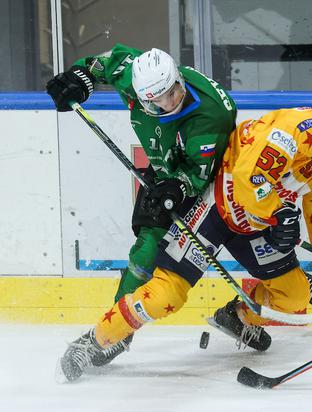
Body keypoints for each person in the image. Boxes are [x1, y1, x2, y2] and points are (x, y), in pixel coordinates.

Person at [56, 68, 312, 383]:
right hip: (216, 210)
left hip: (256, 223)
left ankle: (237, 318)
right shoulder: (293, 130)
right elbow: (247, 177)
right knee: (164, 295)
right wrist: (277, 213)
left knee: (294, 297)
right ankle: (93, 342)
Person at [46, 44, 239, 366]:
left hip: (209, 182)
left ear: (177, 77)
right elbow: (104, 63)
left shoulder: (211, 115)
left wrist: (179, 186)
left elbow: (199, 174)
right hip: (165, 171)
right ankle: (114, 334)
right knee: (145, 252)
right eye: (157, 100)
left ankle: (247, 314)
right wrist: (79, 78)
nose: (169, 102)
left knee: (244, 241)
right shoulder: (134, 77)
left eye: (172, 92)